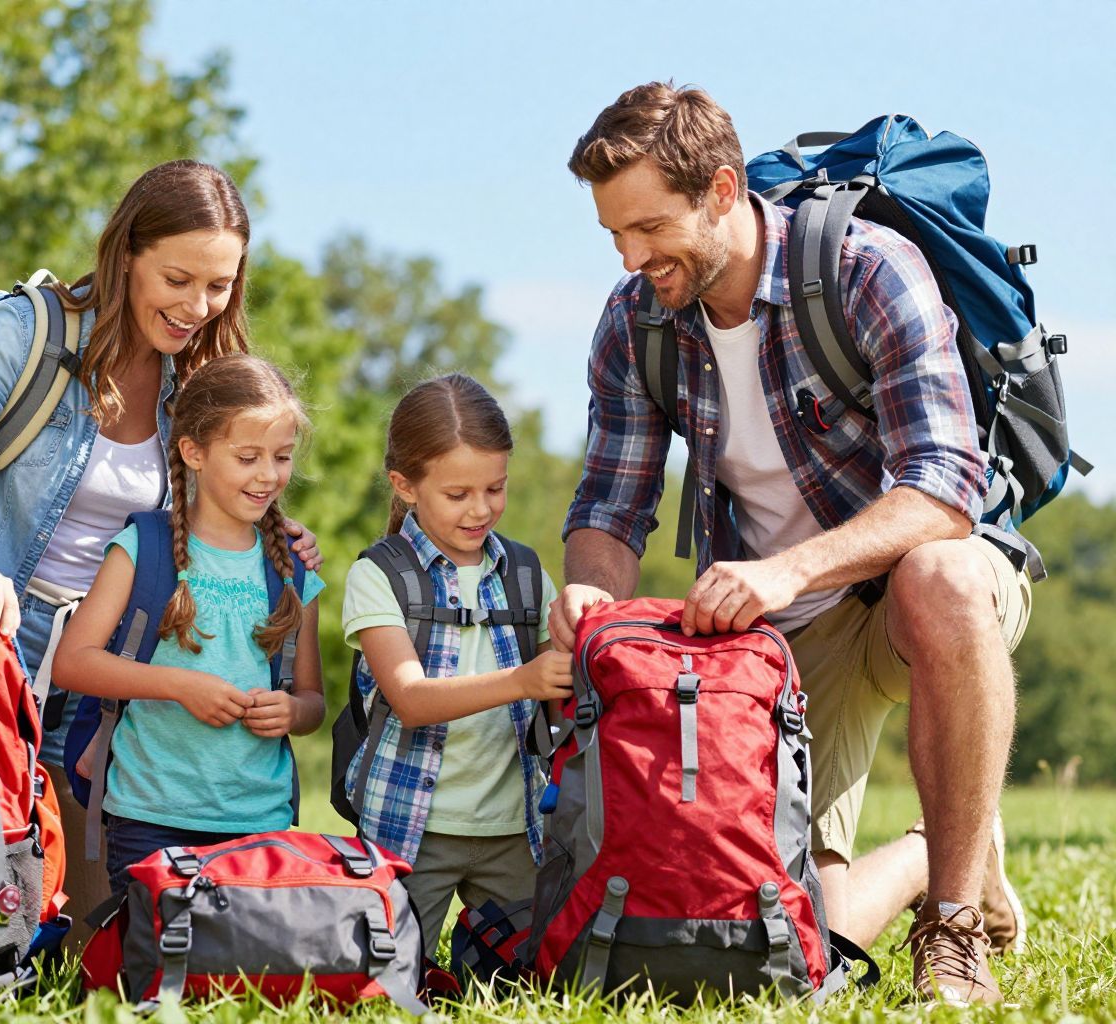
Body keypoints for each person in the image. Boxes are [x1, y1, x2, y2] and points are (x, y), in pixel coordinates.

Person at [548, 82, 1030, 1005]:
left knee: (943, 576)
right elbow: (611, 506)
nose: (631, 255)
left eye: (648, 227)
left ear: (722, 191)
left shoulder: (866, 268)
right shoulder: (636, 320)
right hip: (784, 641)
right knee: (801, 941)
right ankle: (943, 848)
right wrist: (594, 605)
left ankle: (956, 925)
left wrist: (788, 569)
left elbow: (944, 488)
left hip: (908, 592)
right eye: (614, 233)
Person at [0, 160, 318, 951]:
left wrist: (273, 537)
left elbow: (221, 487)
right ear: (126, 255)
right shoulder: (26, 332)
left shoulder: (199, 379)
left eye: (219, 286)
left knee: (98, 927)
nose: (196, 306)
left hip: (115, 657)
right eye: (177, 278)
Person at [50, 354, 325, 897]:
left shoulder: (293, 569)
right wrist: (180, 686)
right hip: (146, 812)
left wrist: (291, 711)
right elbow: (73, 661)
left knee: (237, 975)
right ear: (193, 451)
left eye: (282, 456)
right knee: (155, 969)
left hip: (256, 819)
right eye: (248, 457)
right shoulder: (140, 549)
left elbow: (314, 702)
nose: (268, 475)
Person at [341, 374, 570, 962]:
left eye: (496, 488)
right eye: (458, 493)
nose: (481, 508)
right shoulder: (379, 575)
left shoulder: (523, 573)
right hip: (410, 828)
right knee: (387, 980)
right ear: (405, 486)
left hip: (514, 828)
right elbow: (411, 699)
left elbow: (559, 685)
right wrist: (524, 680)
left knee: (536, 973)